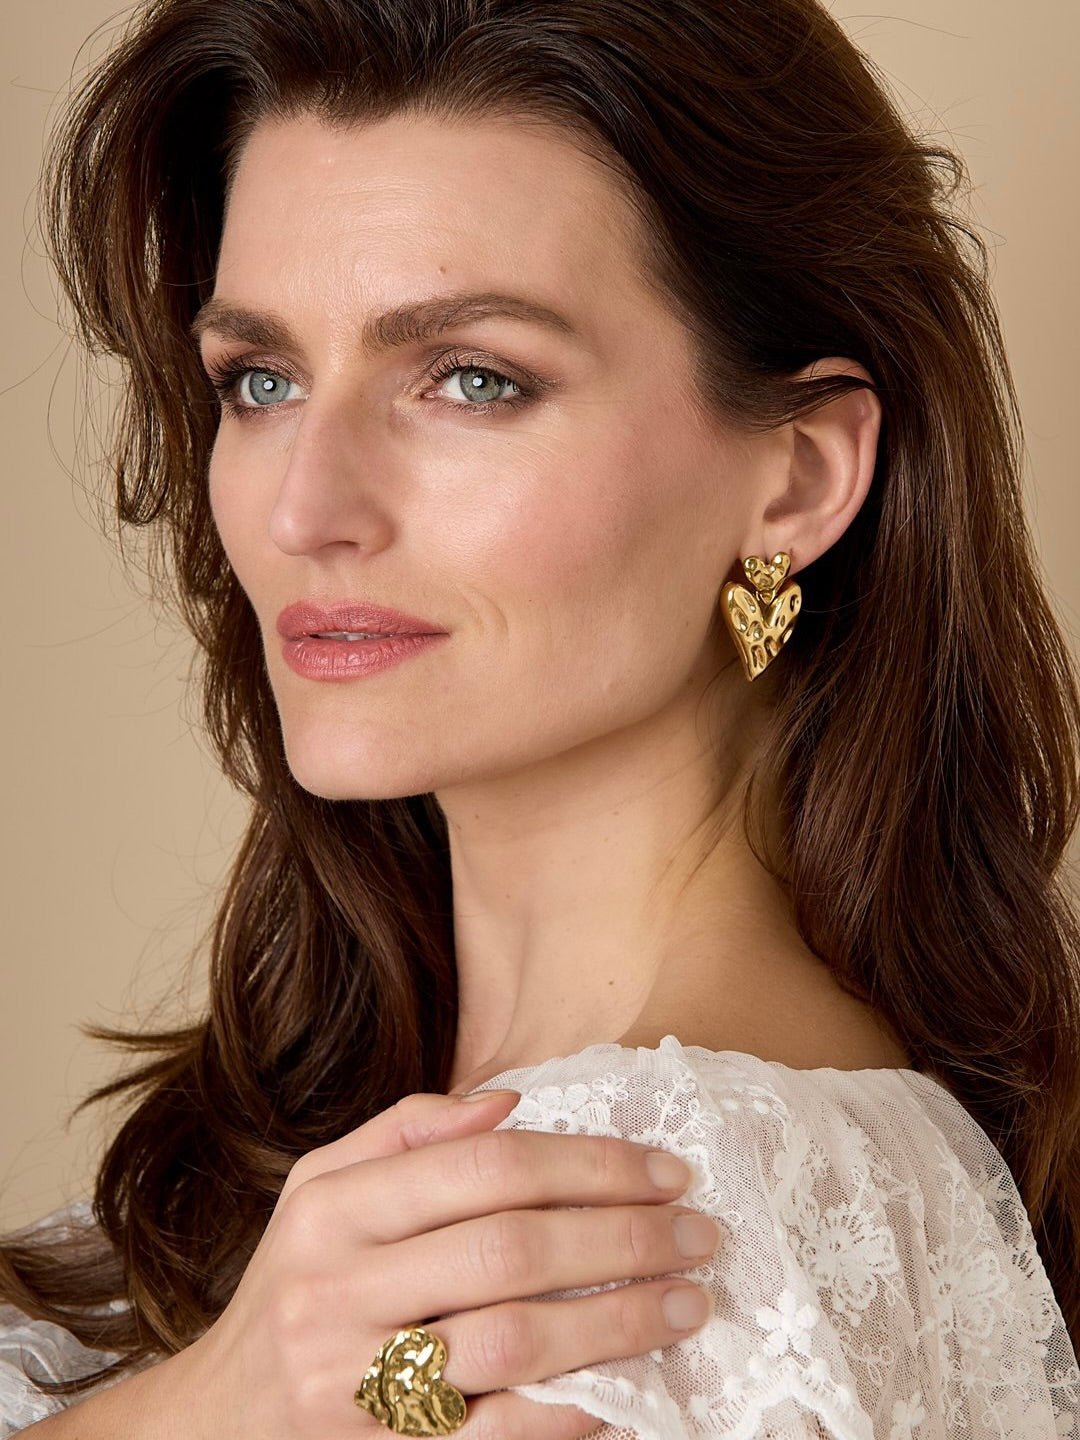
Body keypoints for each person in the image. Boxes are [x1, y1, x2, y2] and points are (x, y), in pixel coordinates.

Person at [2, 0, 1079, 1435]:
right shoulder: (353, 1155)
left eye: (472, 379)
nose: (306, 508)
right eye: (261, 381)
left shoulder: (629, 1230)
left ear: (801, 476)